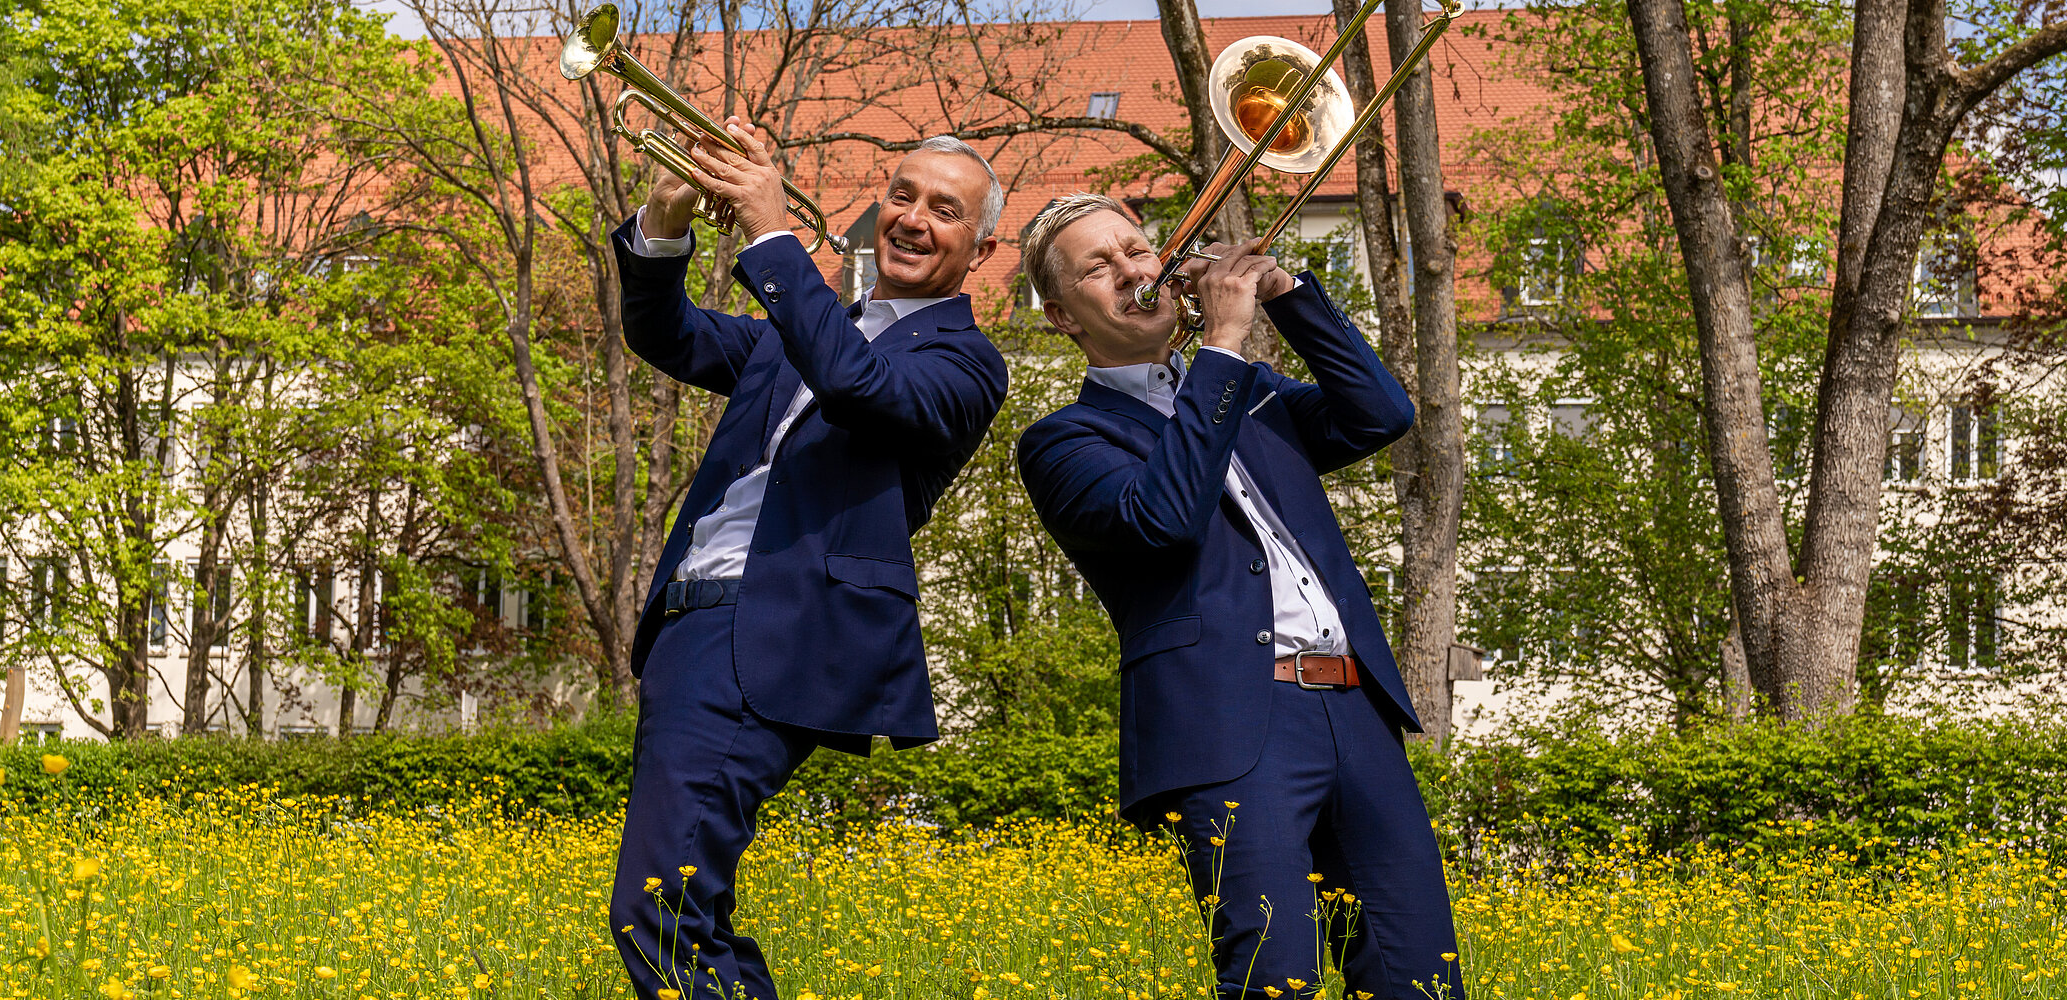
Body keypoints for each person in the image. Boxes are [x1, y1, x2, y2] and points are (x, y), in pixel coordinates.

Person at [1011, 194, 1458, 998]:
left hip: (1356, 710)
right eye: (1098, 266)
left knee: (1419, 979)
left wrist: (1286, 294)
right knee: (1272, 979)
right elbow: (1164, 519)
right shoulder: (1063, 440)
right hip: (1232, 726)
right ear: (1060, 315)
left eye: (1136, 250)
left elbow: (1381, 414)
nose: (1132, 271)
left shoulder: (1249, 396)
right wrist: (1219, 343)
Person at [608, 122, 1009, 1000]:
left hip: (770, 634)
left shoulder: (967, 361)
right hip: (690, 623)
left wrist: (771, 230)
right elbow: (666, 333)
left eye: (945, 211)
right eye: (901, 195)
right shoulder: (810, 328)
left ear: (981, 251)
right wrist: (666, 222)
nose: (911, 218)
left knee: (658, 903)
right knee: (676, 901)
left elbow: (860, 386)